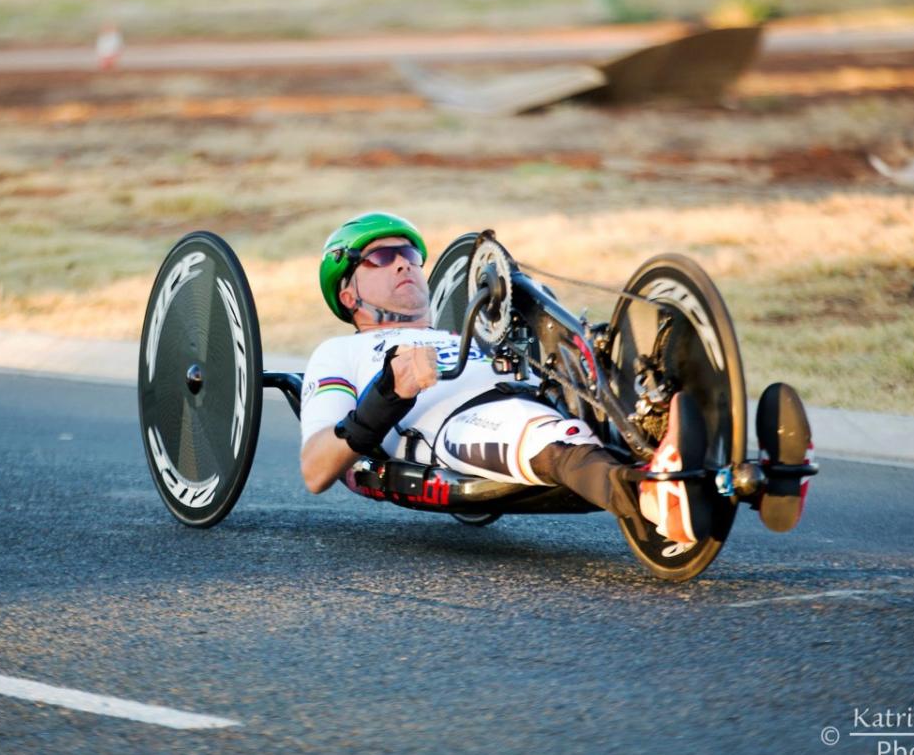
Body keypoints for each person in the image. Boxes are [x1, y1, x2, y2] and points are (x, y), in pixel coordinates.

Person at [298, 211, 702, 544]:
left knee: (620, 371)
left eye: (408, 253)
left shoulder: (461, 334)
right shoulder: (339, 352)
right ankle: (653, 500)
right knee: (544, 435)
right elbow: (316, 469)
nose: (404, 261)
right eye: (381, 258)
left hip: (539, 398)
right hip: (455, 426)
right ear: (348, 295)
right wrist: (389, 390)